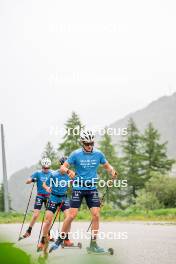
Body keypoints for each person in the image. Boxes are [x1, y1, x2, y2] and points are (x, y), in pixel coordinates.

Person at [50, 130, 118, 253]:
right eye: (87, 143)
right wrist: (68, 171)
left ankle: (93, 245)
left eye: (91, 143)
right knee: (72, 215)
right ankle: (60, 239)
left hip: (92, 188)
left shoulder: (98, 154)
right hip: (78, 188)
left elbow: (107, 165)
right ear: (82, 143)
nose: (90, 146)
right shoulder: (75, 154)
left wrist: (112, 170)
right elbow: (62, 167)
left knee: (96, 215)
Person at [37, 157, 73, 251]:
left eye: (67, 166)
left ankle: (65, 238)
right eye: (64, 165)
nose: (66, 168)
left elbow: (75, 182)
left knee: (68, 218)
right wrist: (47, 188)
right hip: (53, 198)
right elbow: (44, 184)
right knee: (48, 220)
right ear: (61, 165)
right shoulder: (54, 174)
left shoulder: (69, 175)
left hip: (63, 198)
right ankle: (43, 240)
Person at [23, 158, 52, 238]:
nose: (46, 169)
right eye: (44, 168)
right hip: (40, 196)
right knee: (36, 215)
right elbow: (27, 181)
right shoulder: (37, 173)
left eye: (47, 168)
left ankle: (48, 234)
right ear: (42, 166)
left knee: (48, 217)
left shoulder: (52, 173)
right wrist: (32, 179)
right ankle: (29, 231)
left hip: (49, 196)